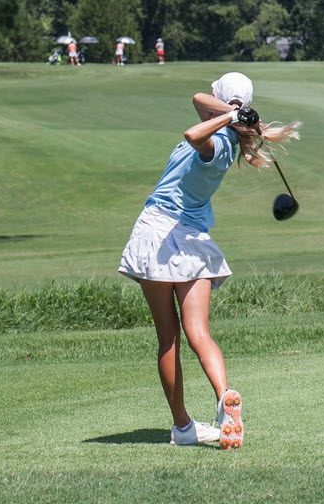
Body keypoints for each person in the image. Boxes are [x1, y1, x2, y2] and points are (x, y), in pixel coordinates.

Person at [117, 72, 301, 448]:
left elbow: (192, 133)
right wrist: (236, 115)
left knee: (169, 339)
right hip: (193, 241)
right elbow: (200, 98)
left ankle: (183, 427)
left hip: (158, 233)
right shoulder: (228, 134)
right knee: (199, 332)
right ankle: (223, 399)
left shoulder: (217, 142)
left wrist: (231, 117)